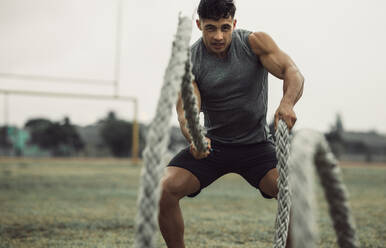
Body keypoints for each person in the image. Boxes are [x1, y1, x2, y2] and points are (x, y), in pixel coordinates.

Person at [159, 0, 304, 247]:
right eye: (210, 28)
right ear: (199, 25)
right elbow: (186, 112)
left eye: (225, 27)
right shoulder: (189, 62)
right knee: (163, 189)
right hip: (213, 147)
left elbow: (292, 71)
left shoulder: (255, 43)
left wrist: (288, 102)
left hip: (256, 146)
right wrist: (194, 135)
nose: (218, 35)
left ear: (234, 24)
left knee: (294, 192)